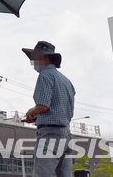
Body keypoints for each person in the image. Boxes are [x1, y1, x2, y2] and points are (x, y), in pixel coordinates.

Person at [22, 41, 75, 177]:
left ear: (45, 58)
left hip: (50, 135)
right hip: (66, 134)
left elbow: (42, 106)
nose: (33, 61)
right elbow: (71, 112)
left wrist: (31, 112)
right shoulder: (66, 81)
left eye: (35, 58)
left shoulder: (45, 75)